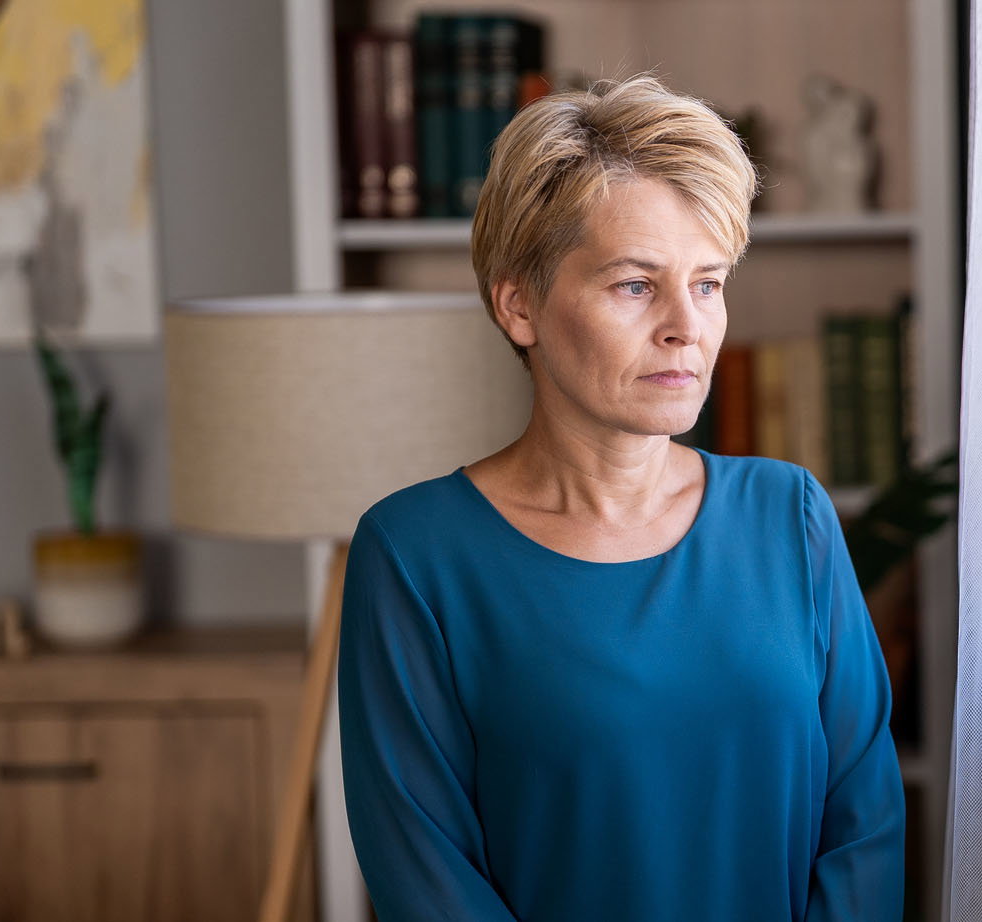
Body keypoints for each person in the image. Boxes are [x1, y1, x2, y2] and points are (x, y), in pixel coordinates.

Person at [337, 74, 905, 922]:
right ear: (519, 305)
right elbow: (424, 875)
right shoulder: (416, 554)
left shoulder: (789, 515)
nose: (686, 326)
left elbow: (863, 828)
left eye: (707, 283)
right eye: (635, 285)